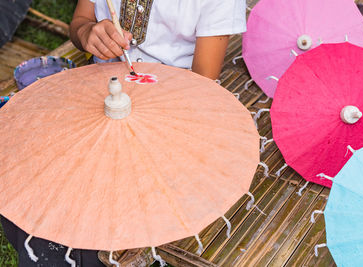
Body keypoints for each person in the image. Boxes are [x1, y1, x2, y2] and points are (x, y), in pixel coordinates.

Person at [1, 1, 246, 266]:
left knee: (121, 202)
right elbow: (81, 21)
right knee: (47, 177)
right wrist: (87, 33)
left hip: (172, 109)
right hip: (98, 89)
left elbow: (202, 84)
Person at [69, 0, 247, 80]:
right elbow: (81, 21)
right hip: (100, 80)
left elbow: (204, 79)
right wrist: (85, 32)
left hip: (175, 96)